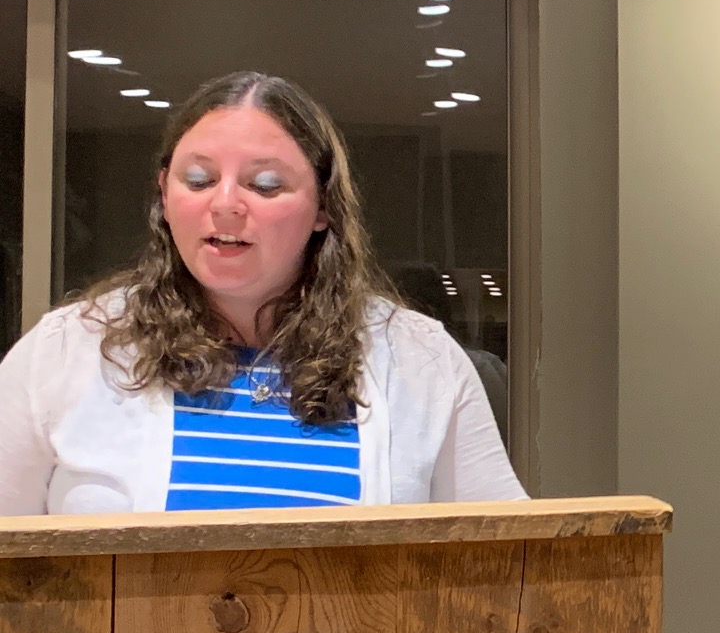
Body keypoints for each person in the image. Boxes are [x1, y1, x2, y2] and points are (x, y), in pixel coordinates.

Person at [0, 71, 525, 514]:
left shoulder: (420, 359)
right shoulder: (65, 350)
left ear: (324, 208)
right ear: (164, 194)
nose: (225, 203)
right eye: (198, 180)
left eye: (266, 185)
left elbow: (503, 556)